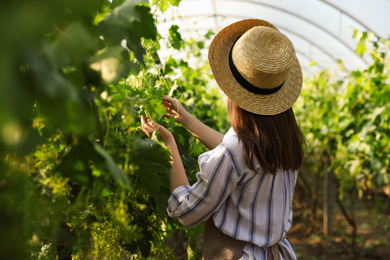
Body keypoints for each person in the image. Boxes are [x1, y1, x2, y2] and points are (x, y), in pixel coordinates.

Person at [141, 19, 305, 260]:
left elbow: (187, 211)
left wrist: (169, 145)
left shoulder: (234, 151)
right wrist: (185, 118)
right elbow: (240, 156)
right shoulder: (284, 140)